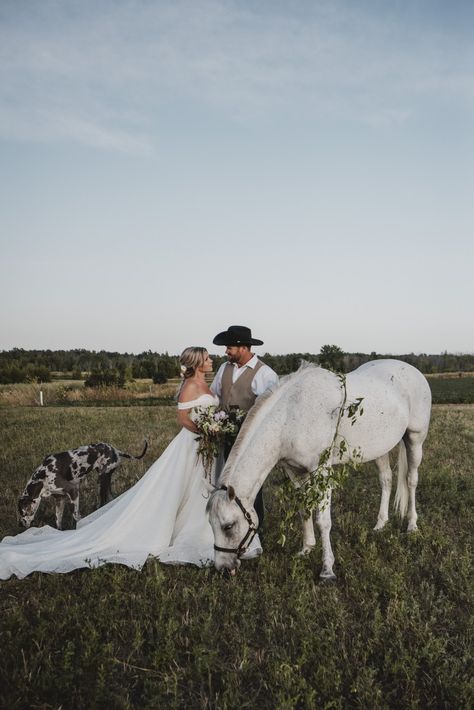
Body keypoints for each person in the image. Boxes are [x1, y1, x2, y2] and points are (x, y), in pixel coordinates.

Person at [0, 347, 261, 580]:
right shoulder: (189, 386)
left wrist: (216, 427)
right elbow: (183, 418)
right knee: (179, 488)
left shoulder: (208, 383)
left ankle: (203, 529)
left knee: (203, 488)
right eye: (206, 358)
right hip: (191, 445)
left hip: (208, 447)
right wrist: (206, 432)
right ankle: (179, 532)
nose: (211, 360)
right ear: (196, 363)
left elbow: (213, 408)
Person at [210, 325, 279, 533]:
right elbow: (214, 395)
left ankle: (255, 531)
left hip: (250, 441)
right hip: (224, 435)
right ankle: (227, 525)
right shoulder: (224, 368)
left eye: (229, 347)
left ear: (242, 347)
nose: (226, 351)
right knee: (223, 481)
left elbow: (269, 412)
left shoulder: (265, 373)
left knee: (250, 486)